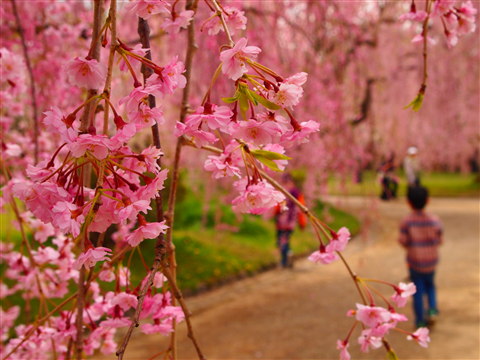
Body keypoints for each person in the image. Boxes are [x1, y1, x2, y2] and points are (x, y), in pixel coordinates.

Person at [398, 186, 443, 328]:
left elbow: (403, 240)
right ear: (428, 201)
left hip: (415, 261)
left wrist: (411, 246)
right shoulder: (434, 220)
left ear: (408, 202)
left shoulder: (407, 221)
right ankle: (432, 310)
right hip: (431, 261)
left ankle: (420, 320)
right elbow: (439, 239)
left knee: (417, 290)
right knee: (430, 286)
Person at [274, 174, 306, 268]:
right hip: (291, 223)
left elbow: (278, 208)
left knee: (282, 241)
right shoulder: (297, 193)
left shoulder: (281, 192)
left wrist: (276, 214)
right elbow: (301, 208)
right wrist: (302, 223)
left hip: (281, 222)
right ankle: (288, 254)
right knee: (286, 240)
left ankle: (285, 259)